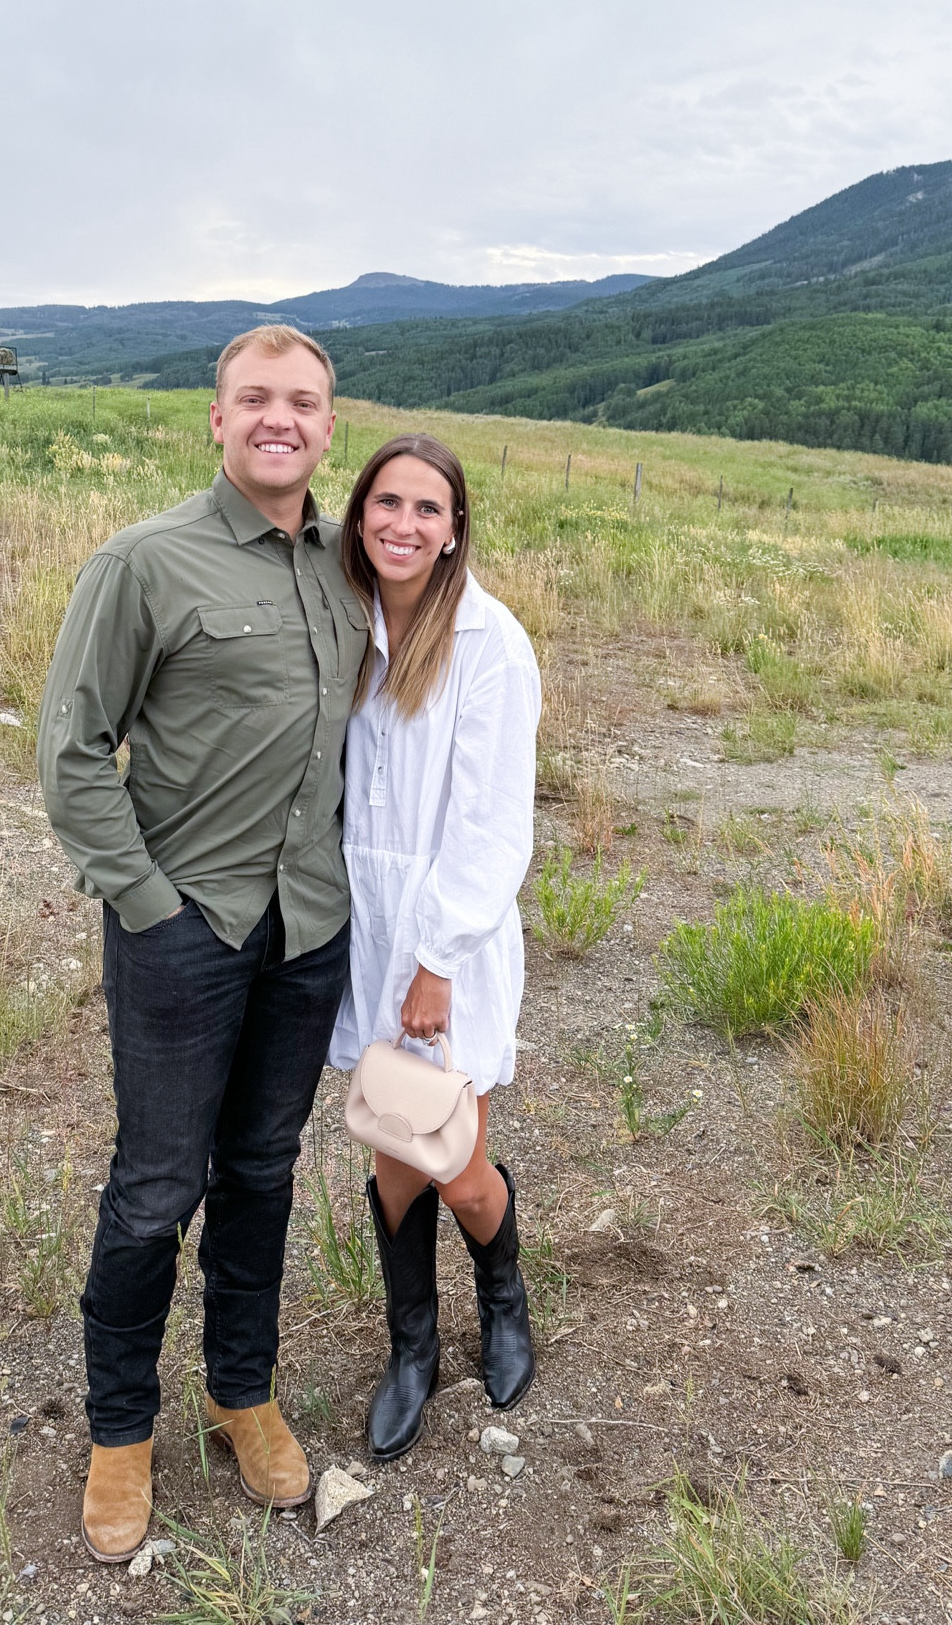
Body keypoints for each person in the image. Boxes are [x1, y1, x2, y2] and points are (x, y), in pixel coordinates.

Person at [38, 325, 369, 1563]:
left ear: (329, 425)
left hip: (310, 926)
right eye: (255, 398)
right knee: (157, 1186)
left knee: (267, 1168)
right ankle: (122, 1430)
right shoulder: (144, 562)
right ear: (216, 419)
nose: (280, 417)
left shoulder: (348, 567)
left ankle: (243, 1392)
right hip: (185, 927)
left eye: (304, 401)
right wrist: (142, 900)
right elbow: (73, 749)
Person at [328, 433, 542, 1460]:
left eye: (426, 507)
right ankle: (412, 1346)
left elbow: (494, 820)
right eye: (386, 503)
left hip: (445, 931)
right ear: (359, 513)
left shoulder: (488, 639)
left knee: (455, 1159)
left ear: (455, 526)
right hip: (363, 920)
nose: (403, 524)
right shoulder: (343, 623)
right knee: (395, 1158)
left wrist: (439, 955)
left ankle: (503, 1297)